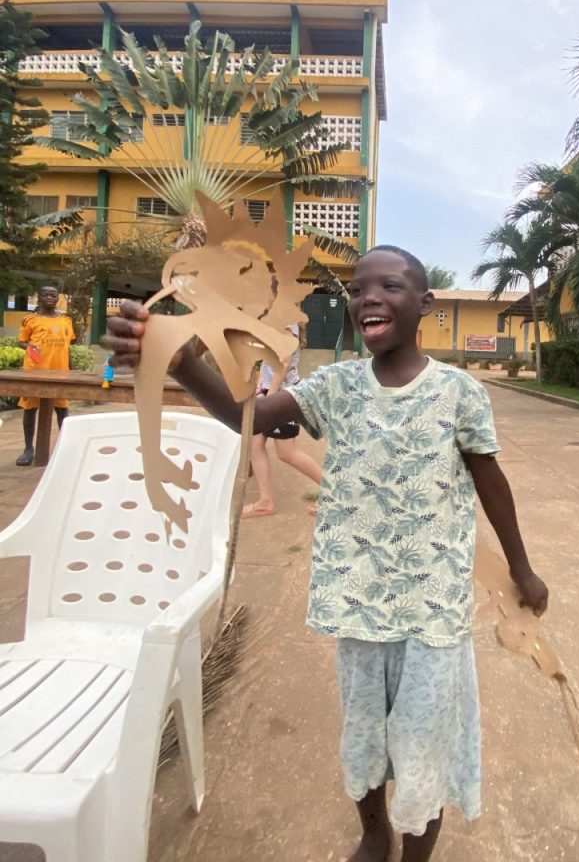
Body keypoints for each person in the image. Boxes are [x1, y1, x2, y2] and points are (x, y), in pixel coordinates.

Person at [104, 245, 548, 862]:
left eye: (389, 286)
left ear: (425, 304)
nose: (369, 298)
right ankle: (375, 833)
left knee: (423, 743)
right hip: (358, 603)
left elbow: (490, 481)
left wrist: (521, 567)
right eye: (358, 289)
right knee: (364, 733)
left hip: (432, 610)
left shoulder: (459, 393)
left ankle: (415, 850)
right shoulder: (336, 386)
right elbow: (245, 416)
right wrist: (180, 360)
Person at [244, 323, 323, 517]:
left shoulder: (288, 325)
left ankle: (333, 492)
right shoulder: (275, 320)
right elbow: (265, 361)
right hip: (269, 392)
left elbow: (283, 364)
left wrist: (269, 400)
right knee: (256, 443)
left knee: (287, 453)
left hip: (283, 396)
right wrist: (260, 389)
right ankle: (266, 501)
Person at [16, 283, 75, 467]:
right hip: (34, 372)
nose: (50, 298)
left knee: (62, 410)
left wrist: (72, 371)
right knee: (30, 410)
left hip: (60, 373)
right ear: (39, 297)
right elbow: (22, 341)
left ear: (58, 298)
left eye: (53, 295)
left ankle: (65, 449)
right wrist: (30, 348)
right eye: (46, 295)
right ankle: (28, 449)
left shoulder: (66, 321)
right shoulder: (30, 320)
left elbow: (67, 347)